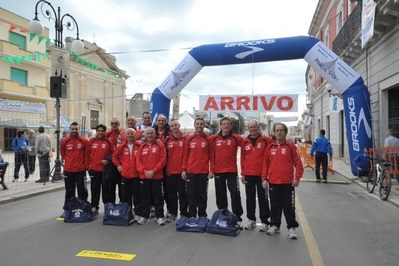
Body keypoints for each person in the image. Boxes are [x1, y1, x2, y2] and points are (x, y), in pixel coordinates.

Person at [262, 122, 304, 239]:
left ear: (285, 133)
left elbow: (298, 163)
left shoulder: (291, 147)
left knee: (289, 206)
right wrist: (264, 178)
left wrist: (297, 177)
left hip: (287, 183)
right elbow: (265, 164)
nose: (279, 132)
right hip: (273, 183)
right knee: (275, 205)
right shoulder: (270, 148)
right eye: (277, 130)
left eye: (281, 130)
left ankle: (291, 228)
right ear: (274, 133)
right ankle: (275, 225)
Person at [240, 120, 273, 232]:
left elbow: (277, 142)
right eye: (251, 127)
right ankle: (251, 220)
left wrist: (288, 141)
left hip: (261, 175)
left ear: (258, 127)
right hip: (248, 174)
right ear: (248, 128)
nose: (253, 129)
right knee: (250, 198)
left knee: (263, 198)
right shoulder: (245, 142)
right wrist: (243, 173)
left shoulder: (266, 140)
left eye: (254, 127)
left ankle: (264, 221)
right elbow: (243, 159)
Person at [212, 117, 244, 228]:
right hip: (218, 172)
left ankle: (237, 217)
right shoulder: (214, 138)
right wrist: (211, 170)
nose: (226, 126)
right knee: (220, 195)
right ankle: (223, 215)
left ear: (231, 126)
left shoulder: (236, 138)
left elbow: (250, 141)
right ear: (220, 126)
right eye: (224, 124)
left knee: (235, 193)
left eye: (228, 124)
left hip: (232, 172)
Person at [182, 118, 214, 218]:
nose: (199, 125)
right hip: (190, 172)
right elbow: (185, 155)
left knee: (202, 195)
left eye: (201, 124)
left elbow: (212, 156)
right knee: (191, 195)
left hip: (203, 172)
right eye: (197, 124)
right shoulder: (189, 138)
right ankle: (192, 214)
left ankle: (202, 215)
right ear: (194, 125)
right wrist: (183, 169)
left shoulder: (209, 139)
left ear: (204, 125)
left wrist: (211, 170)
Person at [136, 127, 167, 225]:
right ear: (145, 134)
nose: (149, 135)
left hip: (157, 176)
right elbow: (138, 162)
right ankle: (144, 216)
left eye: (151, 133)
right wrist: (145, 171)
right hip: (144, 177)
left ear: (155, 134)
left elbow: (163, 160)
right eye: (148, 133)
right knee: (145, 198)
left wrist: (154, 171)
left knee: (158, 197)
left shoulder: (160, 145)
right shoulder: (142, 146)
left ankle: (160, 217)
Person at [60, 122, 88, 218]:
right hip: (69, 170)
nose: (74, 131)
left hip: (81, 170)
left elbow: (87, 154)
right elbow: (63, 154)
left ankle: (83, 208)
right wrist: (69, 162)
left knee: (82, 190)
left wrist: (85, 165)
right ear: (70, 129)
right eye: (72, 129)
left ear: (79, 129)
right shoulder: (65, 141)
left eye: (76, 129)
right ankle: (67, 209)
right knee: (69, 191)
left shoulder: (84, 141)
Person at [113, 128, 142, 222]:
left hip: (137, 175)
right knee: (126, 196)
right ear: (125, 135)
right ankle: (128, 213)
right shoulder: (121, 146)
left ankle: (138, 214)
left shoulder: (140, 145)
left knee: (137, 196)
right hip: (125, 175)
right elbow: (114, 156)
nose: (130, 135)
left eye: (132, 134)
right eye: (128, 134)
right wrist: (118, 165)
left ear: (135, 135)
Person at [85, 124, 114, 215]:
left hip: (105, 170)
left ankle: (107, 207)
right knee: (94, 189)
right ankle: (94, 206)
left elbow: (114, 155)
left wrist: (108, 161)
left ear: (105, 132)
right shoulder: (91, 142)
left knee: (106, 190)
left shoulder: (109, 142)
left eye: (102, 131)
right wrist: (87, 167)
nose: (100, 132)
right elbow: (86, 155)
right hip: (94, 169)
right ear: (96, 131)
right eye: (99, 131)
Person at [164, 119, 188, 221]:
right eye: (172, 125)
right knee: (171, 195)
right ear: (170, 128)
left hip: (182, 172)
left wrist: (184, 169)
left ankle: (184, 213)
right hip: (170, 172)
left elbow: (187, 156)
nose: (174, 127)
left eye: (176, 125)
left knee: (183, 194)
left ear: (179, 125)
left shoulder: (186, 139)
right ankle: (173, 213)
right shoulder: (167, 140)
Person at [104, 118, 124, 203]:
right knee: (110, 186)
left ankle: (122, 203)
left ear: (119, 124)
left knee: (121, 186)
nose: (114, 125)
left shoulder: (122, 134)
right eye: (112, 123)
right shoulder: (107, 134)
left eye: (116, 123)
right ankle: (111, 204)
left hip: (121, 163)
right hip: (111, 163)